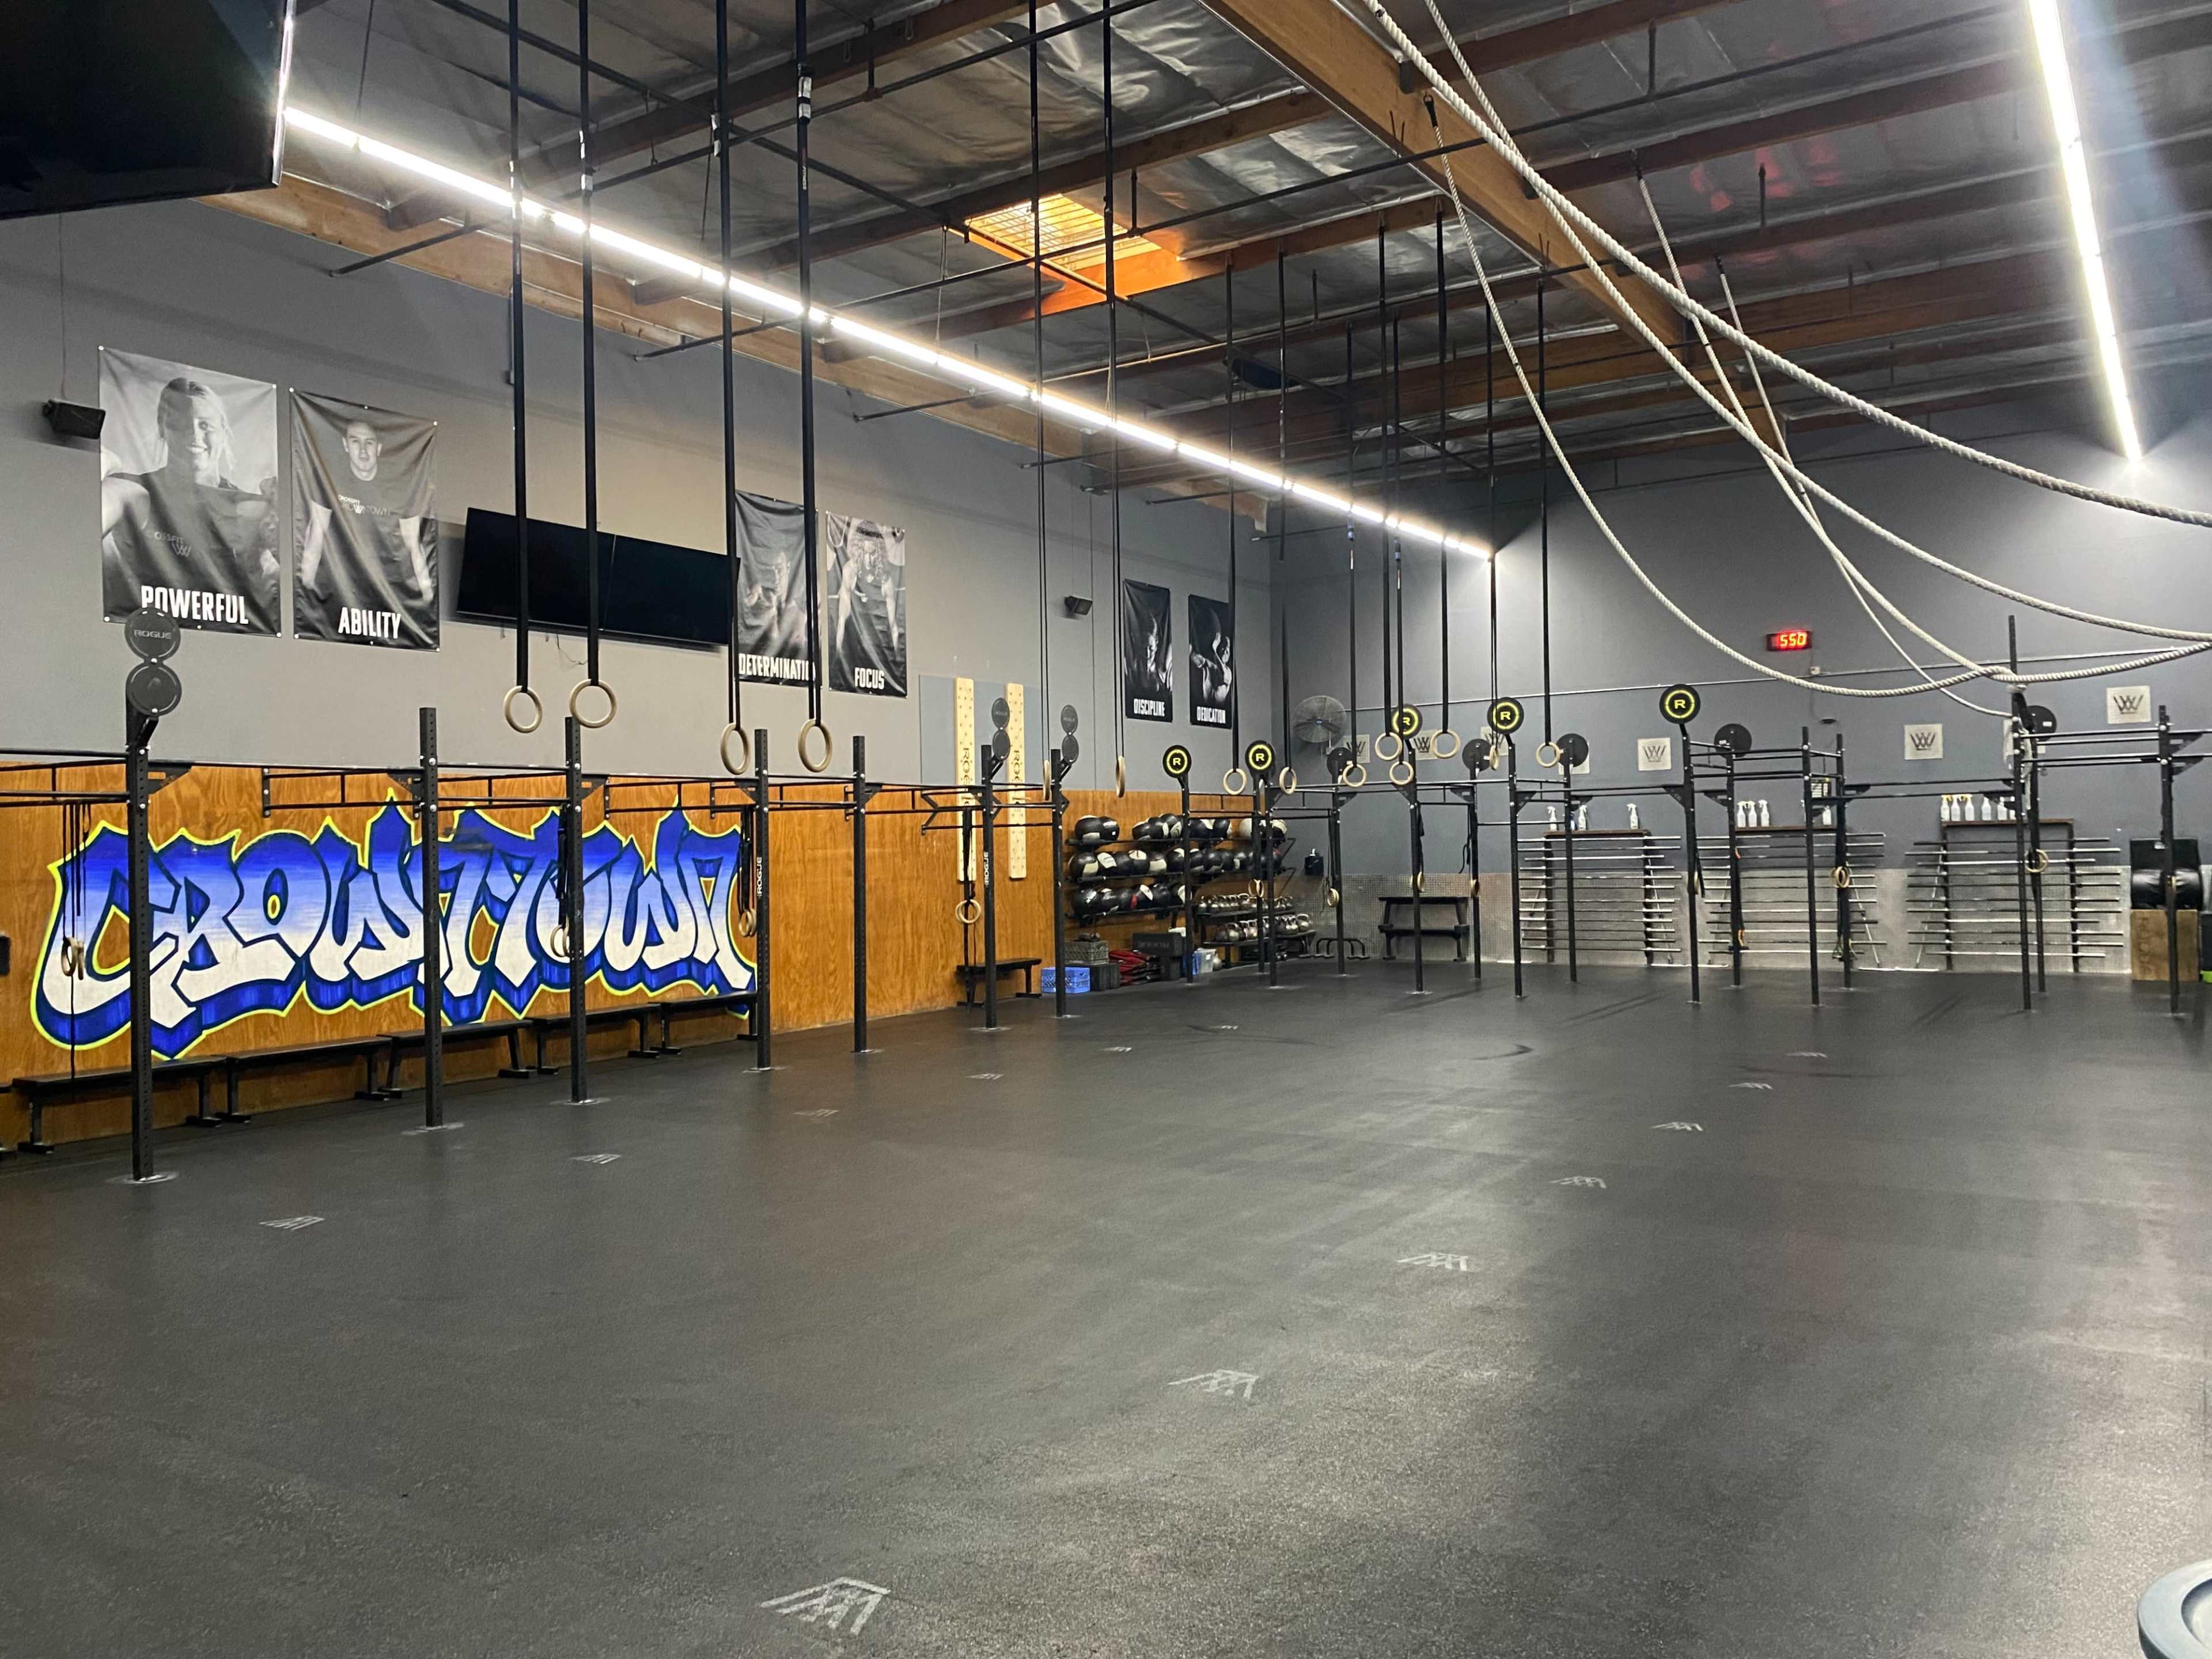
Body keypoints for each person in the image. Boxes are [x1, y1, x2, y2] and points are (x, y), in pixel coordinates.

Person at [101, 377, 278, 631]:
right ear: (163, 430)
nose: (194, 434)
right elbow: (81, 525)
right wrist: (104, 463)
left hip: (233, 647)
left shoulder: (249, 506)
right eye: (179, 423)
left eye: (205, 425)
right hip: (150, 640)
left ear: (224, 431)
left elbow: (299, 586)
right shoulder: (135, 491)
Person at [297, 414, 436, 646]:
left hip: (387, 591)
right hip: (340, 588)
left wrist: (427, 595)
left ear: (379, 448)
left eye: (369, 443)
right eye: (355, 442)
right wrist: (306, 588)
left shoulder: (397, 490)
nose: (363, 451)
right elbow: (315, 536)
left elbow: (414, 546)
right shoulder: (331, 482)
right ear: (345, 446)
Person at [830, 518, 905, 695]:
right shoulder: (850, 572)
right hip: (855, 644)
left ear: (878, 553)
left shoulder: (886, 581)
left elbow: (893, 628)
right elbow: (842, 621)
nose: (868, 560)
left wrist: (897, 663)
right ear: (859, 551)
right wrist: (838, 660)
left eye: (872, 555)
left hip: (878, 647)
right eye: (865, 553)